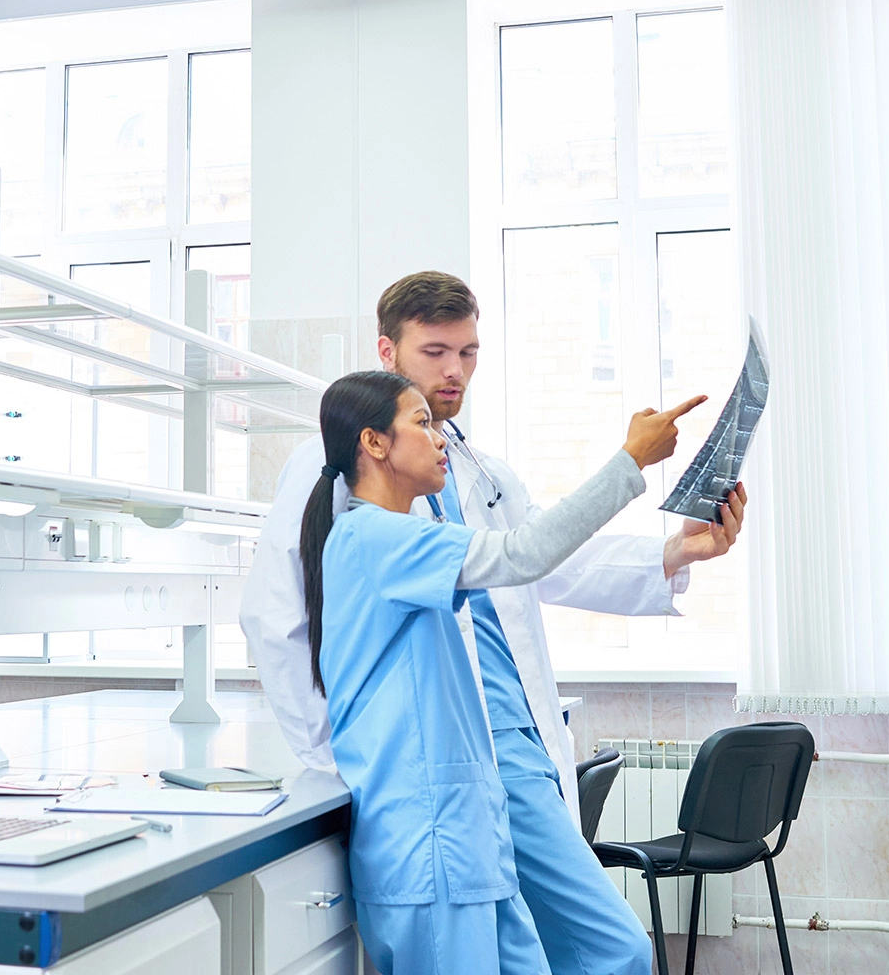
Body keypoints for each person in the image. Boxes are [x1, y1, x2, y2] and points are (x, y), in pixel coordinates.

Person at [242, 271, 747, 975]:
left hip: (499, 752)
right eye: (436, 352)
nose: (454, 372)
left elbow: (544, 559)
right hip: (427, 773)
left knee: (593, 950)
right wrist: (336, 757)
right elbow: (275, 618)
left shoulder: (475, 469)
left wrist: (673, 553)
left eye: (469, 353)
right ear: (387, 352)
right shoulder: (338, 478)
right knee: (595, 949)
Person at [305, 369, 699, 975]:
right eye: (422, 423)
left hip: (473, 841)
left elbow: (537, 563)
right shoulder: (373, 538)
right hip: (429, 849)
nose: (441, 439)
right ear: (374, 443)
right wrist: (629, 463)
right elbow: (522, 554)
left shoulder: (412, 535)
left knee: (616, 953)